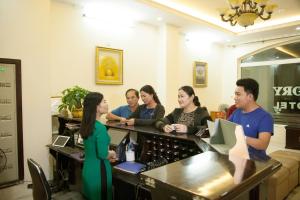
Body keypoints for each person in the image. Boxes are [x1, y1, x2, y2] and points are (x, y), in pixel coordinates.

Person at [80, 92, 116, 200]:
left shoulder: (87, 124)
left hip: (88, 170)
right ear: (96, 106)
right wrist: (113, 153)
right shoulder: (100, 128)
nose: (107, 104)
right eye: (104, 101)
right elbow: (103, 154)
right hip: (100, 173)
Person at [228, 78, 273, 160]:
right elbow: (226, 129)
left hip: (254, 162)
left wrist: (242, 138)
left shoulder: (265, 117)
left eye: (238, 94)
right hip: (235, 156)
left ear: (250, 96)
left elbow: (263, 144)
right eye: (235, 94)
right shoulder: (236, 112)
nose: (235, 98)